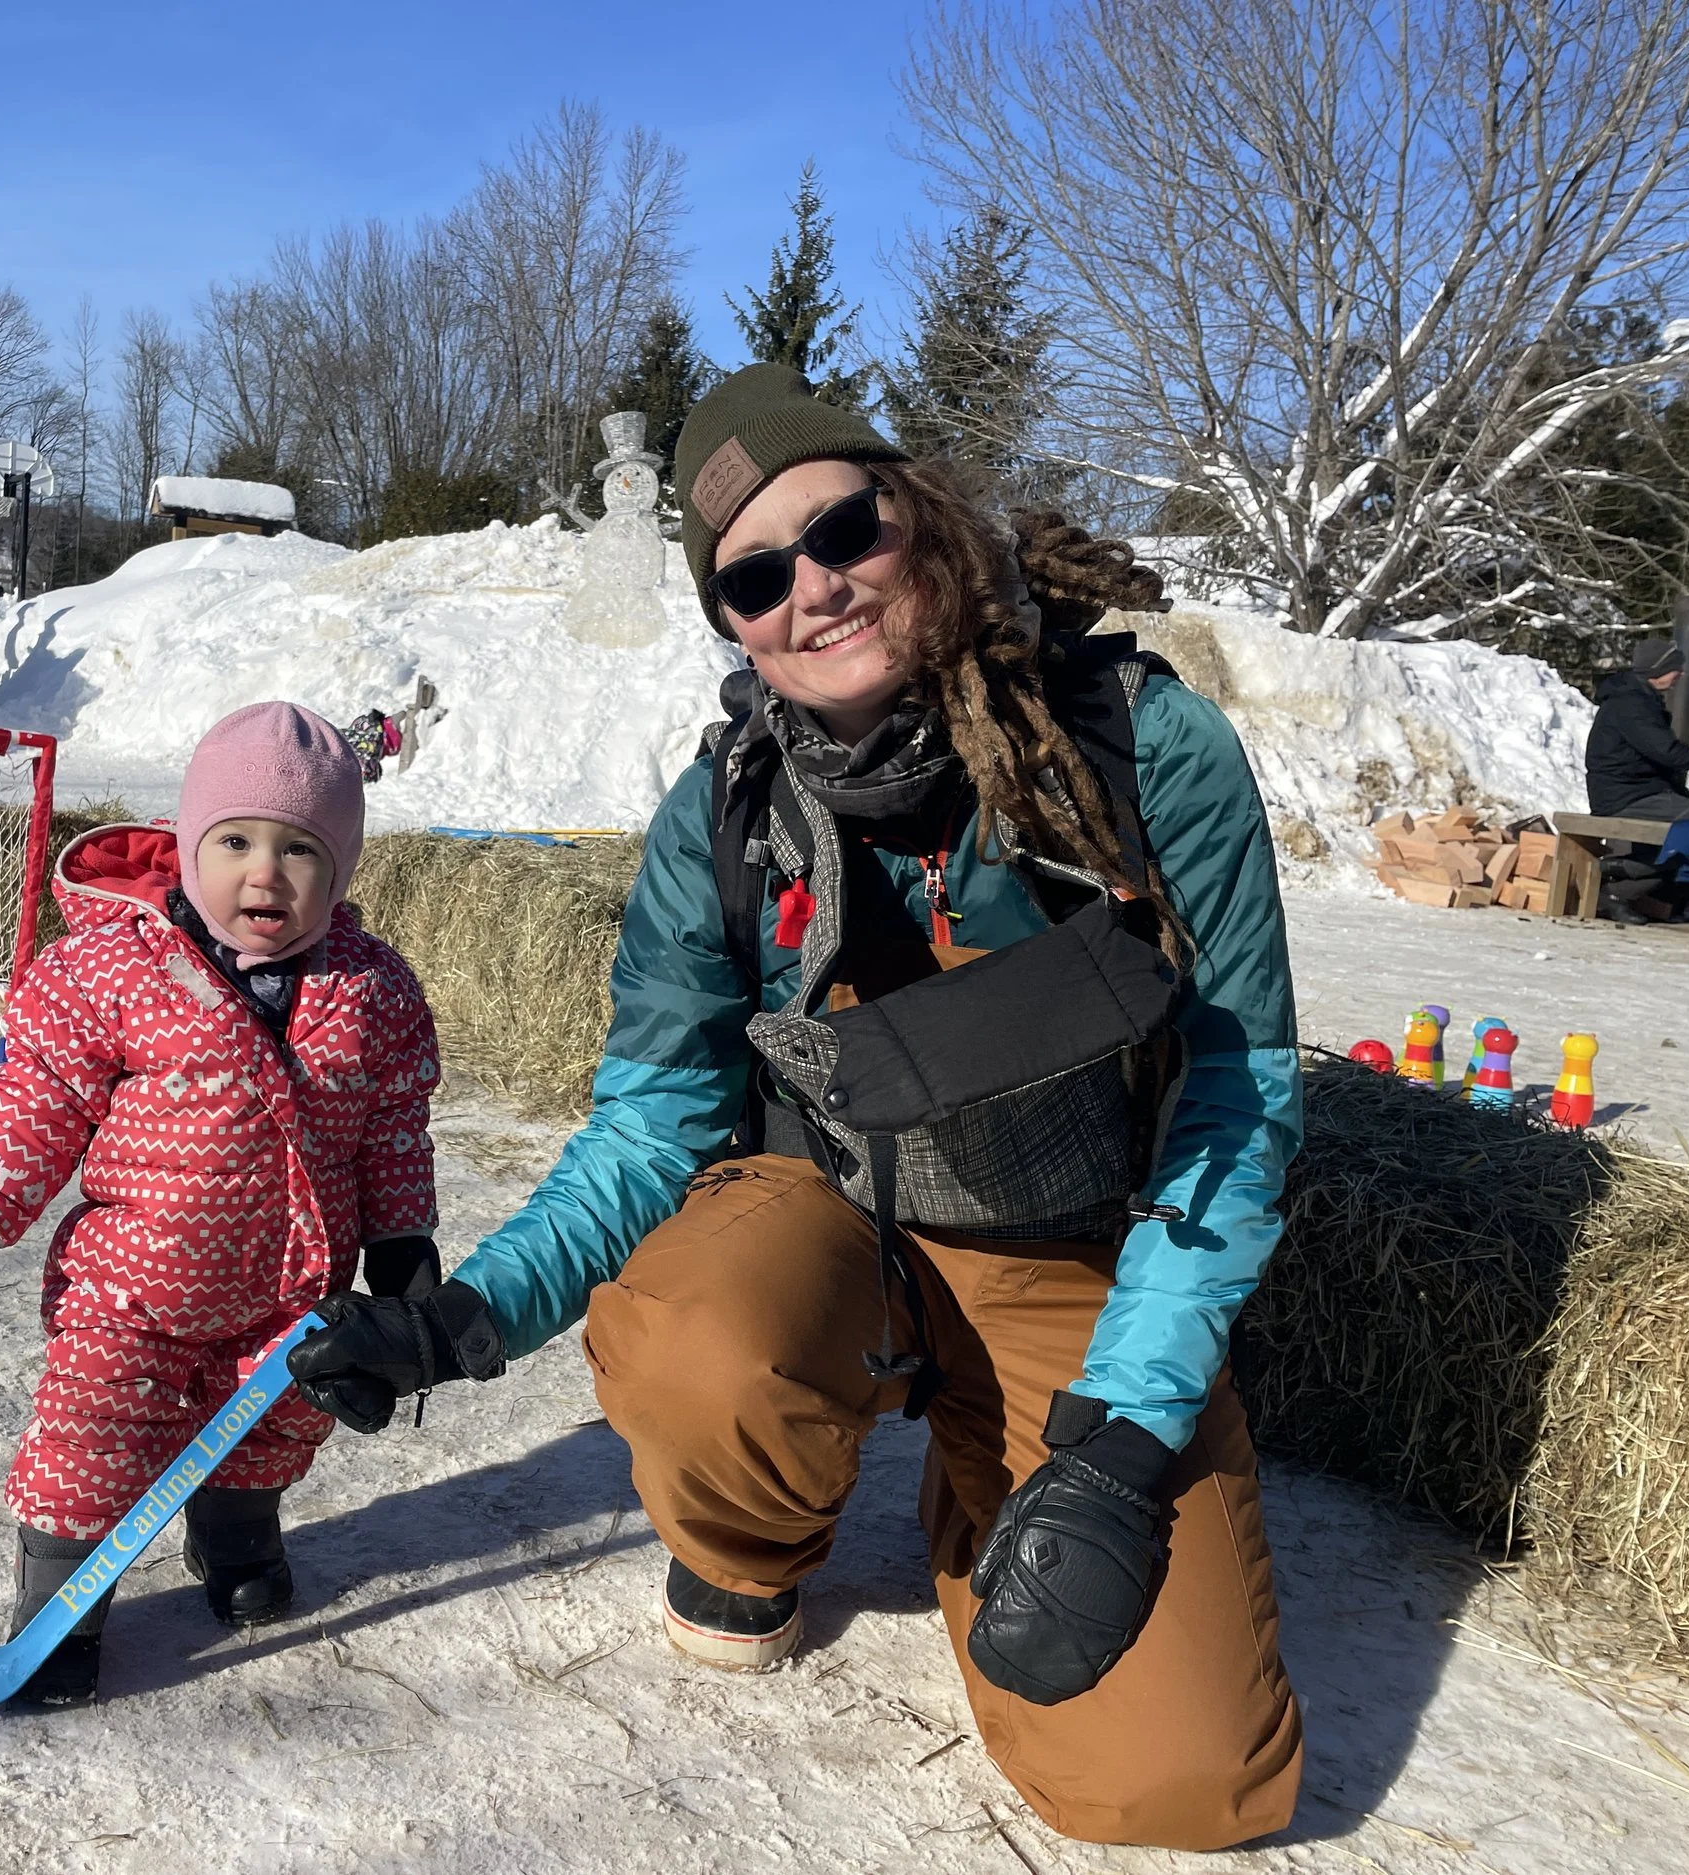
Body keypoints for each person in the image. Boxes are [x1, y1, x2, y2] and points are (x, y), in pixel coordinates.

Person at [288, 366, 1305, 1850]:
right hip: (830, 1214)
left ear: (918, 508)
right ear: (732, 621)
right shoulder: (725, 809)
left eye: (842, 528)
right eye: (756, 577)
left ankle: (996, 1475)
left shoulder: (1143, 747)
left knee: (1182, 1781)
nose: (813, 590)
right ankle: (756, 1538)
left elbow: (1240, 1091)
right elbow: (651, 1121)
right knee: (699, 1327)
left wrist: (1126, 1439)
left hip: (1073, 1250)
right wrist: (469, 1317)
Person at [0, 701, 444, 1704]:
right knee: (87, 1434)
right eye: (234, 841)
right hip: (131, 1286)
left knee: (274, 1425)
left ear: (342, 869)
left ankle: (234, 1537)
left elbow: (394, 1129)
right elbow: (38, 1097)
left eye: (301, 849)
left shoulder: (372, 989)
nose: (264, 872)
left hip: (290, 1286)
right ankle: (58, 1608)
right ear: (188, 845)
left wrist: (402, 1241)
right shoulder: (112, 971)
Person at [1585, 635, 1689, 821]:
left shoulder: (1638, 699)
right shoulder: (1630, 704)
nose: (1681, 673)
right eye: (1675, 668)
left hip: (1642, 792)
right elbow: (1672, 754)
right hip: (1624, 798)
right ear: (1658, 670)